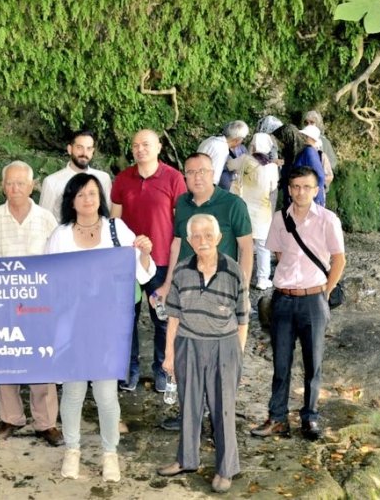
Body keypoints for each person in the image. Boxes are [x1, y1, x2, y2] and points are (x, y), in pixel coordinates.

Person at [45, 173, 155, 483]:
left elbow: (143, 275)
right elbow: (49, 280)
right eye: (80, 194)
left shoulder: (116, 228)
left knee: (107, 395)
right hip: (71, 326)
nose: (87, 199)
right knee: (73, 392)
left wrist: (144, 251)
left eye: (92, 193)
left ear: (100, 197)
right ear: (71, 200)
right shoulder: (61, 235)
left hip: (108, 326)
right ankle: (73, 451)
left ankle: (110, 454)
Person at [156, 152, 253, 431]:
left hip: (222, 293)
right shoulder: (182, 204)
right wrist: (168, 284)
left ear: (213, 173)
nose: (197, 176)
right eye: (191, 172)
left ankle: (218, 418)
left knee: (219, 357)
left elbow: (245, 247)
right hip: (187, 292)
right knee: (187, 355)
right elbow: (177, 244)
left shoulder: (232, 204)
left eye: (203, 171)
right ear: (184, 176)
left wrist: (241, 287)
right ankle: (189, 414)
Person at [252, 166, 345, 441]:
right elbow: (280, 254)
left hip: (314, 299)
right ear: (289, 189)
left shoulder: (328, 220)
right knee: (281, 363)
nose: (300, 192)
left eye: (306, 187)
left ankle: (310, 418)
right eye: (295, 187)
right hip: (282, 300)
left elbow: (339, 260)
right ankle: (277, 418)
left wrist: (324, 292)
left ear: (316, 190)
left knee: (313, 363)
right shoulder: (280, 218)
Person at [157, 214, 249, 493]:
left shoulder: (233, 271)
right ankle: (186, 459)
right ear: (188, 240)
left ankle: (226, 468)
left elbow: (243, 318)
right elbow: (173, 316)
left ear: (219, 238)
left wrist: (238, 358)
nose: (202, 241)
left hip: (224, 346)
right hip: (188, 345)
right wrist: (169, 354)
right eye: (196, 236)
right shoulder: (182, 271)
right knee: (189, 405)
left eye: (208, 234)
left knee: (223, 410)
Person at [0, 161, 63, 447]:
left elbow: (56, 261)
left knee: (41, 357)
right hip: (2, 302)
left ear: (31, 186)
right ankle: (10, 417)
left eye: (21, 183)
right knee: (6, 356)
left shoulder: (46, 219)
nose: (15, 188)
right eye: (9, 183)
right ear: (2, 186)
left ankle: (46, 422)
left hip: (39, 302)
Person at [111, 129, 187, 393]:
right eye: (135, 145)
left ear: (159, 147)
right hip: (128, 263)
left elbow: (180, 225)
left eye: (145, 144)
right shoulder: (122, 179)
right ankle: (128, 371)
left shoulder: (174, 178)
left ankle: (162, 371)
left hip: (162, 262)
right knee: (125, 318)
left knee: (162, 318)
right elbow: (114, 222)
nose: (140, 149)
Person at [228, 134, 280, 289]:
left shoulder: (244, 159)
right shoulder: (272, 167)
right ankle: (262, 279)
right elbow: (273, 188)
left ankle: (240, 276)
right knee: (264, 246)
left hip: (243, 209)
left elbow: (230, 165)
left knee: (244, 244)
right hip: (263, 211)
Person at [38, 129, 112, 223]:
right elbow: (43, 220)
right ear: (70, 149)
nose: (84, 153)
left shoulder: (103, 179)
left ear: (93, 151)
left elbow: (108, 214)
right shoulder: (52, 182)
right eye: (79, 147)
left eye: (88, 148)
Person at [197, 120, 249, 191]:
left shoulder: (210, 140)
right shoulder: (222, 149)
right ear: (237, 140)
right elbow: (213, 180)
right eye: (242, 140)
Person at [292, 125, 327, 206]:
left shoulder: (309, 151)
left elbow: (320, 176)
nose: (303, 138)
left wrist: (315, 196)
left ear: (311, 138)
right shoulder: (309, 150)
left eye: (306, 136)